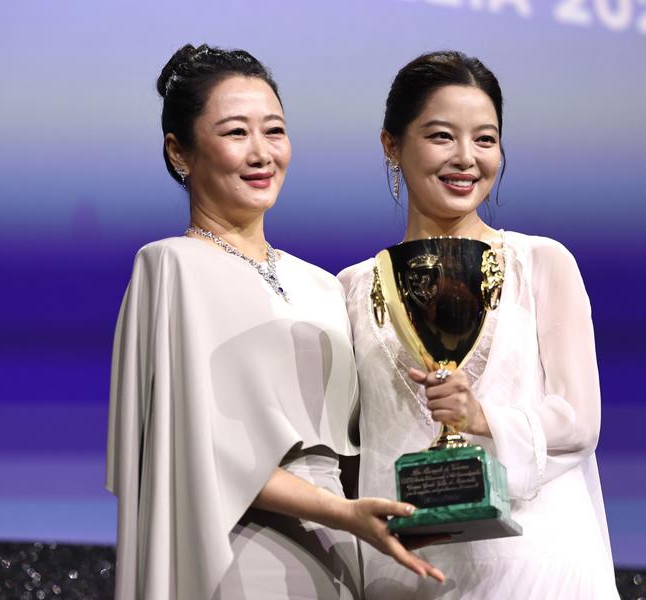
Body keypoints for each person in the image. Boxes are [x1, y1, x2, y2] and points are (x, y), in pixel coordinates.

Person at [105, 44, 443, 600]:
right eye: (236, 133)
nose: (262, 153)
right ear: (179, 151)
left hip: (345, 550)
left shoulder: (322, 284)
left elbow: (360, 443)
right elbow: (195, 446)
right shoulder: (170, 266)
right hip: (239, 550)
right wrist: (341, 511)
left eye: (275, 131)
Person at [338, 51, 619, 599]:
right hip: (405, 569)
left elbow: (580, 421)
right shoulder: (352, 287)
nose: (467, 158)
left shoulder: (539, 262)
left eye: (486, 140)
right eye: (442, 136)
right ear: (391, 145)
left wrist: (482, 416)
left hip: (528, 565)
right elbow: (353, 449)